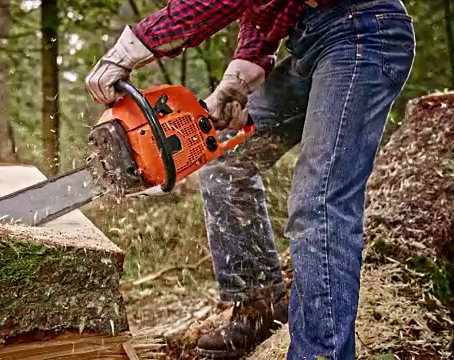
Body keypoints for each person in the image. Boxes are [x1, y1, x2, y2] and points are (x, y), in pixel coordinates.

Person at [85, 0, 415, 358]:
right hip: (311, 40)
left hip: (362, 32)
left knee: (318, 201)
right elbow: (266, 10)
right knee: (224, 162)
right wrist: (237, 80)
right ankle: (259, 303)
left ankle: (321, 352)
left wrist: (132, 47)